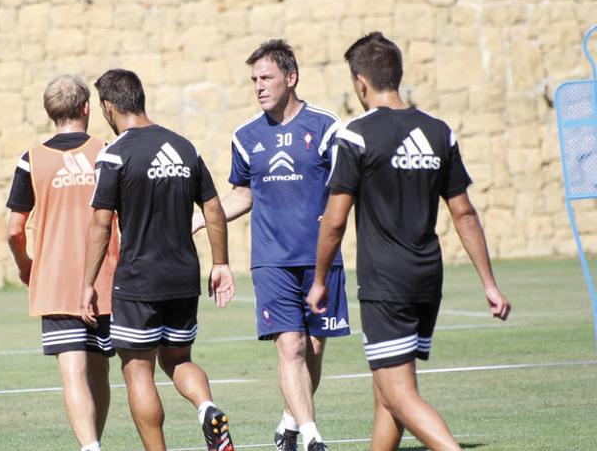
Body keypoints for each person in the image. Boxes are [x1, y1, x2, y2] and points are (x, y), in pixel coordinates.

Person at [306, 32, 511, 451]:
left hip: (386, 282)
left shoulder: (356, 135)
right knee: (386, 393)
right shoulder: (439, 132)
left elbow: (334, 221)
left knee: (398, 393)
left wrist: (320, 280)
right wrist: (489, 284)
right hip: (426, 279)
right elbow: (464, 213)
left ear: (361, 82)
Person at [193, 39, 348, 451]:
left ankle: (289, 425)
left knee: (313, 347)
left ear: (291, 78)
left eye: (267, 78)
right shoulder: (245, 136)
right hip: (271, 260)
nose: (259, 86)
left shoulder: (326, 127)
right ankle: (314, 436)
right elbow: (242, 195)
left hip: (321, 260)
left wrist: (336, 214)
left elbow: (348, 187)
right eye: (254, 80)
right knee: (290, 345)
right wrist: (199, 220)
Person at [82, 69, 236, 451]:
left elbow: (101, 225)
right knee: (178, 359)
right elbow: (214, 209)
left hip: (139, 281)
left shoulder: (114, 154)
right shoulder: (186, 147)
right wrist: (221, 263)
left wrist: (87, 283)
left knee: (138, 371)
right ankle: (207, 407)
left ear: (108, 106)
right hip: (184, 277)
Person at [6, 74, 120, 451]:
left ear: (50, 112)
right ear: (87, 107)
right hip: (105, 278)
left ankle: (91, 447)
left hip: (55, 281)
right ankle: (95, 440)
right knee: (100, 367)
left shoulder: (32, 160)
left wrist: (26, 263)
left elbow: (13, 229)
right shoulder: (108, 151)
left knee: (72, 371)